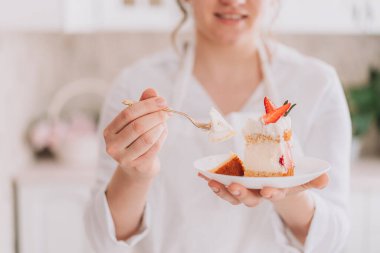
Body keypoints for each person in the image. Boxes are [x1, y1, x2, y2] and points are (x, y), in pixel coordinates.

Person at [85, 0, 351, 252]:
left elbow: (332, 241)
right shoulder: (136, 83)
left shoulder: (317, 84)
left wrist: (286, 193)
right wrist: (134, 175)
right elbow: (103, 240)